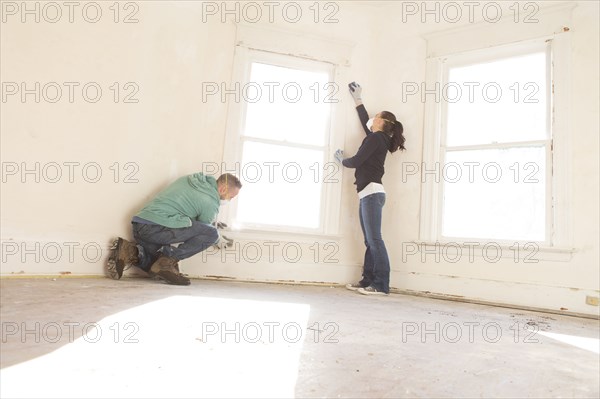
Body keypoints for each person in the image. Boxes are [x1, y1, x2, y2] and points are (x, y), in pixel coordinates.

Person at [107, 172, 242, 285]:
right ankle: (168, 260)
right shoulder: (211, 201)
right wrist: (217, 238)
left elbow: (191, 214)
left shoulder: (191, 179)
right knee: (212, 234)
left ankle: (131, 251)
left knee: (158, 270)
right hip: (155, 229)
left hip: (140, 226)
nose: (229, 200)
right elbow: (204, 229)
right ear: (223, 188)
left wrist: (213, 224)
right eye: (231, 197)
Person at [335, 82, 405, 296]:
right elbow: (366, 123)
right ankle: (368, 280)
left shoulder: (376, 138)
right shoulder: (377, 137)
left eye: (376, 116)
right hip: (368, 193)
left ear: (383, 122)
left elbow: (356, 161)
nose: (372, 117)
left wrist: (342, 161)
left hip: (372, 194)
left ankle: (381, 285)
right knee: (370, 240)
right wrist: (358, 100)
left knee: (375, 240)